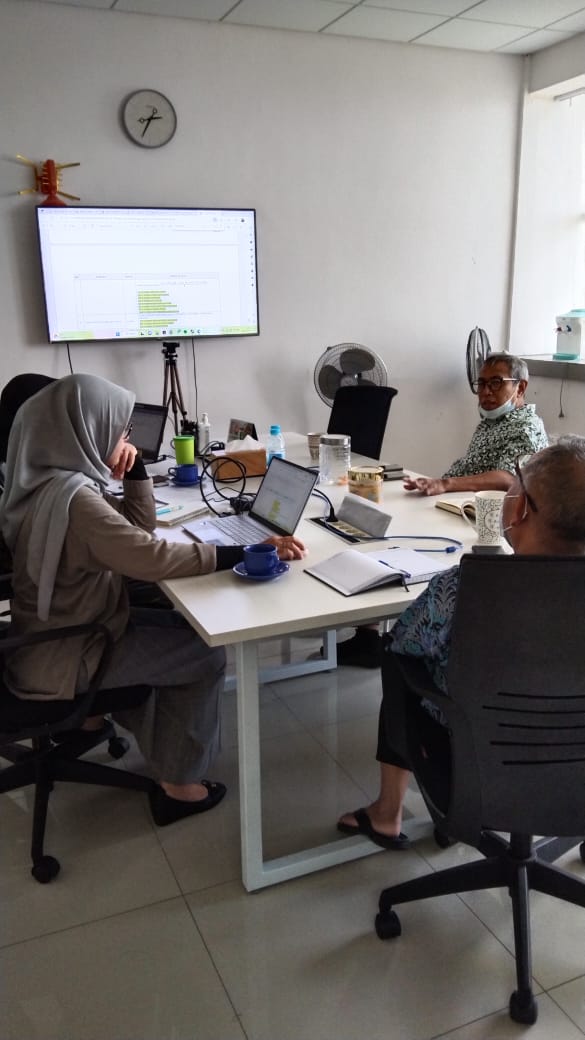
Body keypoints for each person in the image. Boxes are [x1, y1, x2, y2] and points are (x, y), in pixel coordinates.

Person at [0, 374, 306, 827]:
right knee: (203, 653)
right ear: (86, 429)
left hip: (44, 640)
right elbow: (151, 555)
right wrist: (241, 552)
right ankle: (180, 787)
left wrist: (136, 470)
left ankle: (127, 733)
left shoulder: (48, 481)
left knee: (173, 623)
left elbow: (135, 529)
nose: (126, 439)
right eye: (119, 430)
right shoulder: (76, 501)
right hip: (69, 654)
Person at [337, 437, 585, 849]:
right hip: (576, 775)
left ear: (520, 509)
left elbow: (404, 643)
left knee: (398, 661)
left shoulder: (465, 588)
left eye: (516, 482)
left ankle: (387, 812)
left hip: (475, 765)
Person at [336, 352, 548, 668]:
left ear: (521, 387)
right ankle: (368, 632)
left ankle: (378, 635)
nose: (486, 392)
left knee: (395, 540)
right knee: (379, 525)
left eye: (496, 383)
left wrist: (445, 484)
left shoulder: (525, 426)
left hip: (482, 521)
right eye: (481, 384)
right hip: (457, 506)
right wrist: (435, 485)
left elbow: (508, 478)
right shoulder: (493, 421)